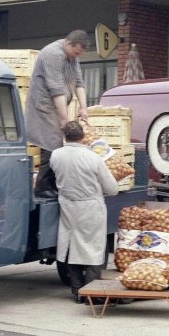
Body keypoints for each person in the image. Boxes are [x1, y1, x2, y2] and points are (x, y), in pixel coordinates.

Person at [49, 120, 118, 303]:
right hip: (90, 208)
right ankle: (92, 294)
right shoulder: (92, 157)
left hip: (68, 207)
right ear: (84, 136)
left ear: (65, 136)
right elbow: (112, 188)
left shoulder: (55, 155)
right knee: (93, 251)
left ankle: (77, 291)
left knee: (74, 248)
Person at [25, 29, 91, 198]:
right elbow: (56, 89)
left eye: (79, 54)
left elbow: (79, 83)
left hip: (58, 103)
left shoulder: (72, 57)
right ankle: (42, 187)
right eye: (75, 52)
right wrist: (64, 119)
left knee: (57, 143)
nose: (76, 57)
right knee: (52, 141)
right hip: (44, 104)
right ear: (68, 43)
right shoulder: (53, 54)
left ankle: (53, 184)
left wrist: (83, 107)